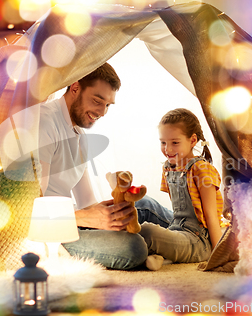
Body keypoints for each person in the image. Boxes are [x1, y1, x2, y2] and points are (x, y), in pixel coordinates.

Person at [37, 62, 172, 270]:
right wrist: (86, 217)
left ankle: (197, 233)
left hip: (73, 218)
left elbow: (86, 201)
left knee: (144, 205)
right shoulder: (44, 123)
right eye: (97, 101)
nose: (102, 112)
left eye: (108, 105)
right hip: (50, 231)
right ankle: (174, 243)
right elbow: (30, 211)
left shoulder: (79, 135)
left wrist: (108, 212)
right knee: (133, 247)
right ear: (75, 87)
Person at [138, 108, 225, 270]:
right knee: (139, 209)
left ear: (192, 140)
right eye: (163, 142)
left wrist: (219, 255)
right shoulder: (168, 168)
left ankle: (161, 253)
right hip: (177, 227)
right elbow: (177, 212)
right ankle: (162, 256)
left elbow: (211, 217)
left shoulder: (202, 169)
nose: (167, 149)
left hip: (199, 240)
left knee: (147, 231)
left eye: (175, 143)